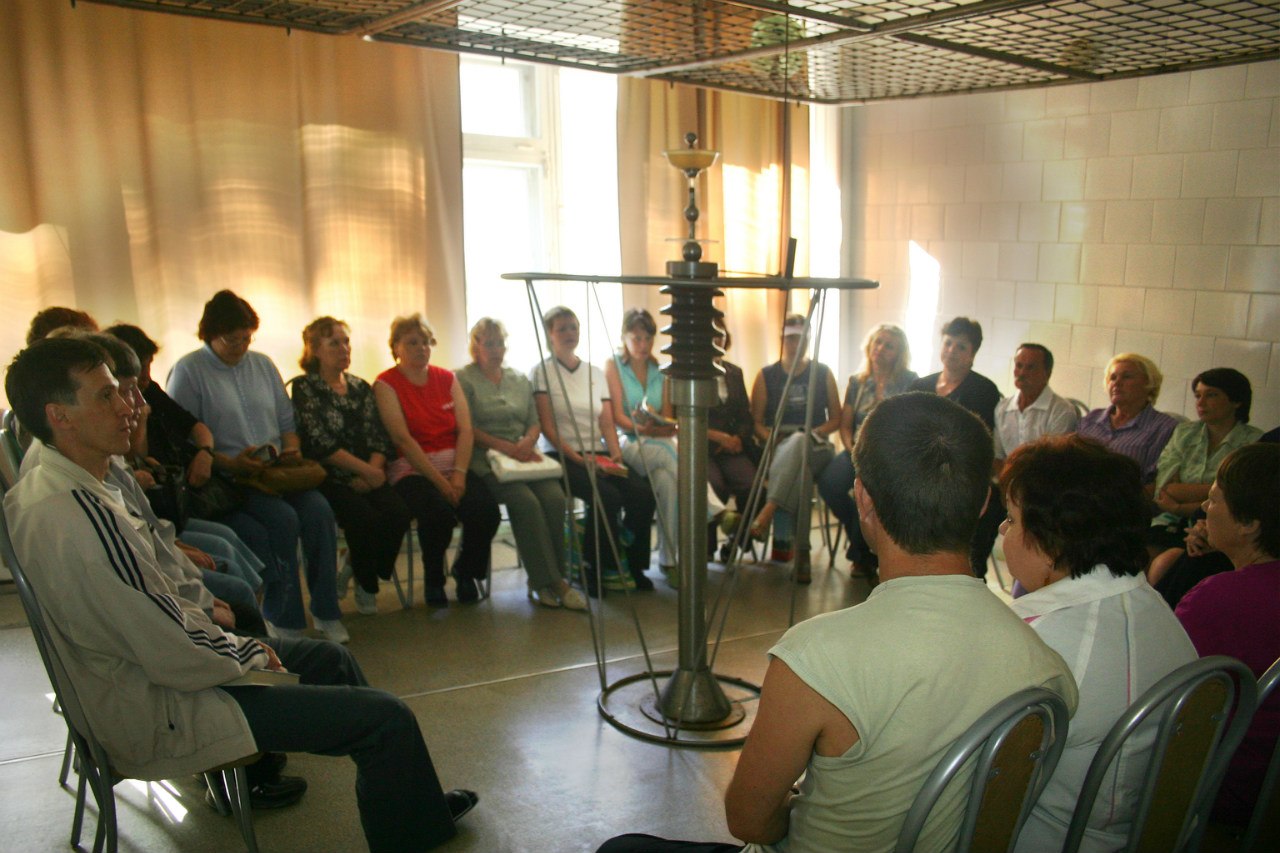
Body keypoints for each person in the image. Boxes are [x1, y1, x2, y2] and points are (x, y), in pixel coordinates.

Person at [3, 336, 478, 852]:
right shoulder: (77, 513)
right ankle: (411, 832)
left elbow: (155, 601)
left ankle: (412, 807)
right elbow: (167, 645)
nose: (128, 406)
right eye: (106, 396)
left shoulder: (63, 479)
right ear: (60, 417)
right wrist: (249, 651)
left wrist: (225, 632)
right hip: (160, 705)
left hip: (157, 677)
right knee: (386, 719)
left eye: (121, 390)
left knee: (333, 661)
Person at [596, 393, 1077, 853]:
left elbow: (749, 820)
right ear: (983, 504)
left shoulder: (813, 658)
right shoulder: (1047, 668)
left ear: (862, 499)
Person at [1000, 435, 1197, 853]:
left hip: (1049, 837)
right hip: (1151, 832)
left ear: (1051, 543)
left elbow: (979, 771)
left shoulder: (1038, 643)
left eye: (1012, 520)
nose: (1003, 531)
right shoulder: (1156, 611)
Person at [168, 290, 348, 643]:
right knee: (283, 520)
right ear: (210, 334)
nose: (240, 346)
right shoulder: (189, 371)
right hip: (230, 479)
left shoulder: (263, 364)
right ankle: (285, 619)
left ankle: (327, 611)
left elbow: (286, 421)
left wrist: (291, 449)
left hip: (276, 472)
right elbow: (184, 442)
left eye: (246, 338)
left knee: (319, 512)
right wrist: (231, 462)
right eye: (231, 339)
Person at [104, 322, 268, 599]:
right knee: (232, 549)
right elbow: (135, 456)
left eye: (149, 366)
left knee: (236, 538)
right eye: (141, 370)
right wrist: (142, 418)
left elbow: (196, 427)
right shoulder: (123, 413)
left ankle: (260, 610)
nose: (147, 377)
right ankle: (250, 612)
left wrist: (205, 453)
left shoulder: (151, 391)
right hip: (161, 510)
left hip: (179, 497)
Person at [1175, 442, 1280, 827]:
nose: (1205, 507)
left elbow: (1160, 693)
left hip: (1225, 788)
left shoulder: (1219, 599)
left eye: (1214, 498)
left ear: (1249, 522)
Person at [456, 318, 586, 611]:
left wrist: (528, 441)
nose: (496, 349)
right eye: (489, 343)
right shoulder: (463, 379)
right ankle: (548, 583)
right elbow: (467, 427)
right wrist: (504, 447)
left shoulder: (518, 379)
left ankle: (555, 578)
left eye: (500, 343)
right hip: (489, 461)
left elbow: (534, 421)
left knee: (554, 499)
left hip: (525, 457)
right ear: (475, 347)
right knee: (526, 503)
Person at [374, 313, 500, 607]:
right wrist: (440, 483)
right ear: (396, 347)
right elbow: (402, 439)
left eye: (426, 342)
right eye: (412, 342)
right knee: (438, 514)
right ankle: (434, 579)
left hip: (454, 468)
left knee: (486, 511)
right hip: (413, 471)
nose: (421, 348)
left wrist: (458, 475)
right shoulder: (386, 384)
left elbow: (465, 430)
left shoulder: (447, 378)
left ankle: (466, 571)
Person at [531, 306, 656, 596]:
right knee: (607, 497)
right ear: (550, 334)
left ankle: (632, 564)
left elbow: (607, 422)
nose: (569, 333)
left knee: (642, 493)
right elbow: (547, 427)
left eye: (573, 327)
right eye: (562, 328)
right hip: (562, 455)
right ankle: (593, 567)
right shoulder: (542, 372)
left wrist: (614, 455)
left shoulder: (594, 372)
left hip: (598, 452)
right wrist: (578, 458)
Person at [292, 317, 412, 615]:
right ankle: (367, 586)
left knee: (399, 513)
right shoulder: (305, 387)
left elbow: (378, 435)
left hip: (370, 472)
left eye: (346, 341)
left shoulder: (360, 386)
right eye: (334, 343)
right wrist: (366, 471)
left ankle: (354, 566)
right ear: (315, 349)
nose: (344, 348)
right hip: (330, 477)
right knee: (363, 518)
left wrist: (373, 470)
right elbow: (318, 442)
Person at [816, 324, 916, 581]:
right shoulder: (857, 382)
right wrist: (852, 450)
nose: (880, 349)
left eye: (889, 346)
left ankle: (862, 556)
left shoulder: (909, 382)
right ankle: (861, 536)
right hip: (857, 451)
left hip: (890, 458)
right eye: (878, 342)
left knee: (869, 493)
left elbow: (910, 425)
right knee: (829, 482)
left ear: (899, 353)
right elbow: (845, 426)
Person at [909, 317, 1003, 577]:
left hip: (963, 474)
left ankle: (969, 575)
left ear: (973, 354)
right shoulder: (920, 386)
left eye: (961, 346)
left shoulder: (984, 390)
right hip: (921, 472)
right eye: (948, 343)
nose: (952, 351)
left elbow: (981, 443)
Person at [748, 313, 841, 577]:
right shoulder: (766, 375)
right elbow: (756, 422)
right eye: (790, 338)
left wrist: (811, 433)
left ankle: (769, 509)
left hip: (817, 443)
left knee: (800, 441)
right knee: (802, 474)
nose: (795, 344)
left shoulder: (823, 373)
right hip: (779, 444)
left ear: (808, 340)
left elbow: (836, 419)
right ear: (782, 339)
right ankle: (802, 553)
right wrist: (771, 438)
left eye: (800, 338)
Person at [1148, 367, 1261, 553]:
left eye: (1211, 395)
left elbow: (1234, 499)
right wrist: (1211, 490)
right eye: (1198, 395)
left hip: (1219, 526)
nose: (1200, 402)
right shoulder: (1184, 432)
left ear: (1236, 401)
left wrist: (1179, 505)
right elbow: (1165, 489)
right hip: (1170, 521)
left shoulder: (1254, 442)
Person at [605, 308, 679, 587]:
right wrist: (642, 427)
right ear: (624, 337)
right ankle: (711, 508)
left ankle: (669, 561)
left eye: (648, 338)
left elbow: (668, 417)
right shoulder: (613, 365)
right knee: (671, 452)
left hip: (655, 440)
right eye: (636, 338)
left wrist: (657, 423)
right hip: (626, 440)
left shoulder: (661, 370)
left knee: (669, 484)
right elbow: (616, 416)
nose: (643, 344)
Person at [1076, 352, 1177, 488]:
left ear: (1149, 384)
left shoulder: (1164, 428)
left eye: (1127, 377)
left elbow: (1154, 481)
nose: (1117, 383)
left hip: (1125, 497)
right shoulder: (1091, 419)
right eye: (1112, 378)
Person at [707, 320, 758, 561]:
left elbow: (745, 415)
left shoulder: (735, 372)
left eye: (721, 334)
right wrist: (719, 437)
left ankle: (735, 540)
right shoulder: (691, 374)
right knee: (713, 485)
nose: (717, 338)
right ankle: (704, 548)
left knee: (751, 483)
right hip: (703, 449)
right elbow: (680, 420)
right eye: (712, 334)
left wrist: (738, 438)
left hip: (732, 448)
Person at [991, 343, 1079, 474]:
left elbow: (1053, 462)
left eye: (1030, 367)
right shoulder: (1002, 408)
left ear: (1047, 374)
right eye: (1019, 365)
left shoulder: (1062, 411)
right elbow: (997, 457)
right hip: (1008, 480)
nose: (1022, 373)